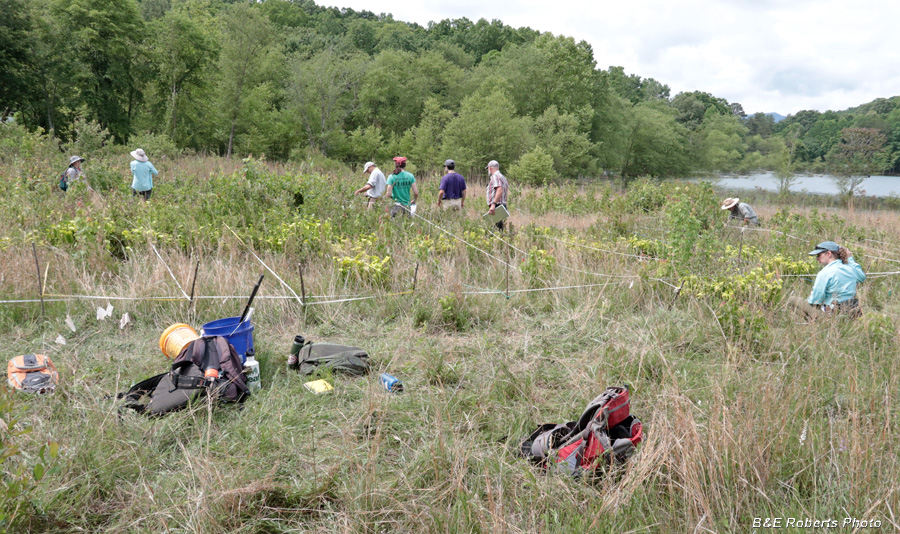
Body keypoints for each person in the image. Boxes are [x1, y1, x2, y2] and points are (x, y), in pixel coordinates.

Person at [787, 241, 866, 319]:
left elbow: (815, 299)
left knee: (792, 300)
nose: (817, 258)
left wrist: (811, 296)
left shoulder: (825, 272)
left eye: (819, 255)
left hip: (831, 313)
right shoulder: (850, 268)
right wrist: (850, 259)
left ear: (828, 254)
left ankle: (817, 323)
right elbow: (862, 277)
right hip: (850, 310)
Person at [486, 160, 509, 230]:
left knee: (497, 229)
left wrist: (493, 205)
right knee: (499, 228)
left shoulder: (495, 176)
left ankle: (499, 240)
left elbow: (499, 190)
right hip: (502, 205)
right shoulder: (502, 177)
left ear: (490, 168)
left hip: (497, 206)